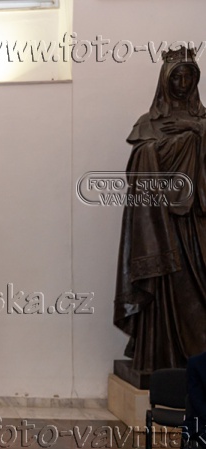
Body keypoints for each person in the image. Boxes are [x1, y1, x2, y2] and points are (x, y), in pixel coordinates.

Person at [114, 46, 206, 374]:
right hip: (160, 223)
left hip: (196, 223)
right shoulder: (148, 123)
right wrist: (159, 150)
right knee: (164, 283)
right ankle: (159, 356)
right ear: (165, 81)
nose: (182, 83)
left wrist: (197, 133)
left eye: (188, 77)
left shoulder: (204, 122)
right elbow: (137, 170)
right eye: (176, 77)